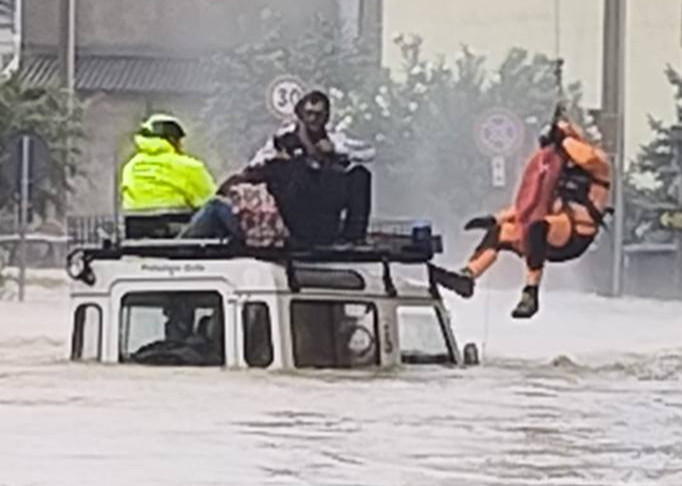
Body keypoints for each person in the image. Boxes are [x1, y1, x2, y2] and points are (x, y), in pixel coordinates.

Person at [431, 112, 611, 319]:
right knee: (502, 231)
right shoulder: (556, 167)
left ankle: (530, 292)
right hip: (550, 231)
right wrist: (495, 218)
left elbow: (586, 157)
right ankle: (468, 275)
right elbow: (530, 203)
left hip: (575, 234)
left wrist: (564, 136)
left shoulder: (599, 164)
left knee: (538, 226)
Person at [228, 90, 373, 246]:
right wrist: (279, 160)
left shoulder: (334, 138)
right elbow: (256, 164)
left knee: (360, 175)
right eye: (309, 114)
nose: (313, 119)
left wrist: (335, 150)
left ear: (326, 117)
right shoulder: (283, 139)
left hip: (325, 206)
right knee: (293, 168)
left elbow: (369, 153)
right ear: (301, 115)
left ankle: (353, 239)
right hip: (296, 210)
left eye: (319, 115)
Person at [120, 113, 243, 240]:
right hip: (177, 237)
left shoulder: (130, 167)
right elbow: (208, 198)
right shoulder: (188, 166)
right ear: (172, 140)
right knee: (217, 205)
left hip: (138, 237)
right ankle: (250, 241)